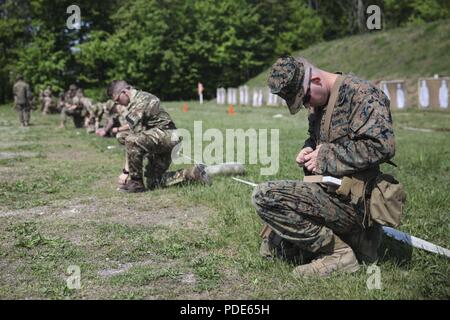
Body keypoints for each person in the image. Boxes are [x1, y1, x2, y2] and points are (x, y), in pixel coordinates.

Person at [252, 56, 396, 277]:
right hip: (331, 194)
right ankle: (340, 244)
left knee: (264, 195)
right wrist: (308, 149)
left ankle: (338, 253)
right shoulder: (320, 103)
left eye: (306, 98)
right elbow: (316, 138)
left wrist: (326, 156)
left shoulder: (362, 94)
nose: (308, 105)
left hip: (356, 206)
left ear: (316, 79)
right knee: (274, 247)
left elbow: (381, 146)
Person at [106, 80, 210, 192]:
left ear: (124, 92)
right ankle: (194, 173)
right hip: (162, 138)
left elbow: (132, 139)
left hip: (167, 136)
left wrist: (125, 172)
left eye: (117, 100)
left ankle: (136, 183)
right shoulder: (138, 99)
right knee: (154, 182)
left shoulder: (139, 103)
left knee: (130, 139)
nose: (118, 104)